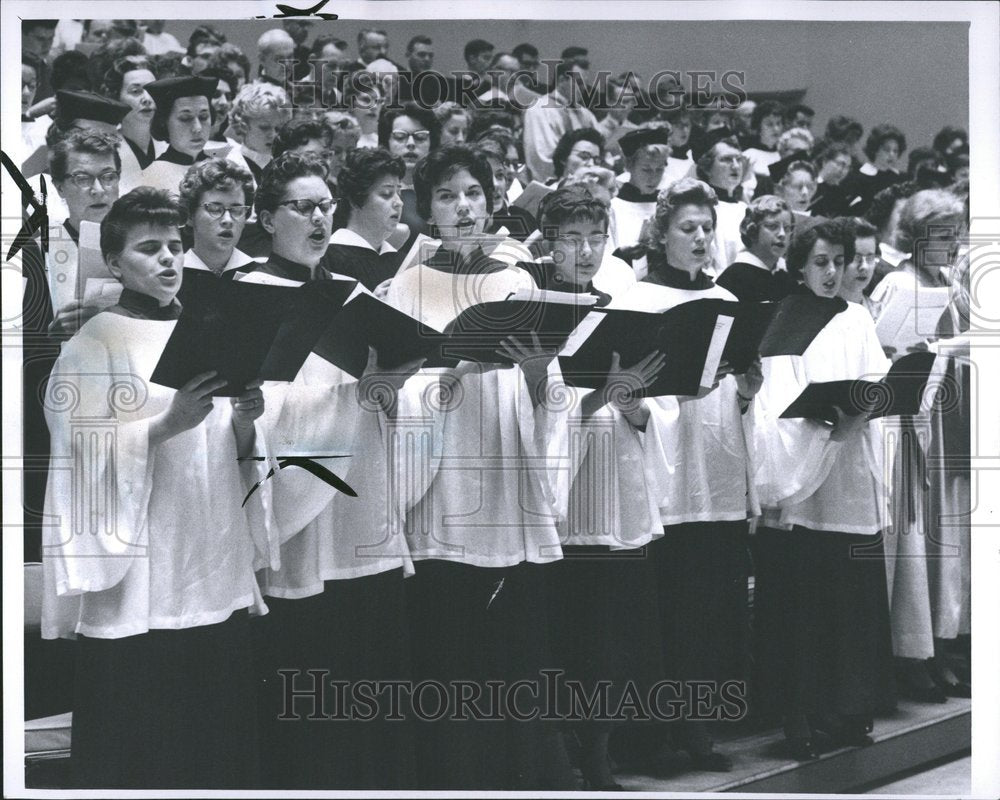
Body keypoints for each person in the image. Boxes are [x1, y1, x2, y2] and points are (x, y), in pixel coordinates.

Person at [41, 187, 269, 788]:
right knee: (145, 742)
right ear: (115, 265)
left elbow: (234, 455)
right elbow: (78, 458)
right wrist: (165, 427)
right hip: (141, 575)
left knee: (213, 738)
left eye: (175, 246)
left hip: (209, 555)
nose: (168, 259)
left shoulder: (210, 327)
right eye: (149, 248)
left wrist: (245, 420)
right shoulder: (97, 341)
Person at [384, 145, 574, 789]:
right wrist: (453, 372)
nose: (462, 207)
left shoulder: (518, 280)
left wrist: (537, 369)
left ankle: (524, 777)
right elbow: (396, 392)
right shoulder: (406, 285)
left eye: (472, 193)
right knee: (451, 656)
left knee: (515, 655)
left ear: (491, 201)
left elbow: (552, 393)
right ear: (425, 208)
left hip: (507, 482)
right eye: (446, 195)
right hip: (439, 490)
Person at [627, 178, 760, 772]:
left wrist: (748, 390)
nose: (702, 238)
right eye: (688, 228)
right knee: (662, 612)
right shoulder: (641, 297)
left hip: (718, 471)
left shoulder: (727, 300)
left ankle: (699, 724)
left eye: (708, 228)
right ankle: (656, 735)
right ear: (661, 233)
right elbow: (635, 390)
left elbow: (737, 392)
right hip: (666, 475)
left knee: (709, 610)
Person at [752, 217, 894, 761]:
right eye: (820, 262)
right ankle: (799, 716)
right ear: (799, 265)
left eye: (839, 261)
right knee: (805, 608)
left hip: (851, 473)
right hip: (806, 484)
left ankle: (848, 708)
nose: (832, 272)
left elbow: (877, 382)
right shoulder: (785, 320)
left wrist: (862, 415)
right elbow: (776, 407)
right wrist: (831, 430)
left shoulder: (857, 317)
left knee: (850, 603)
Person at [325, 148, 406, 289]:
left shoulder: (402, 261)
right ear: (355, 199)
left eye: (399, 193)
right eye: (387, 194)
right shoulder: (327, 258)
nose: (399, 202)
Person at [177, 158, 259, 281]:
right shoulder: (174, 275)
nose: (228, 220)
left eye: (237, 210)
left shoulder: (259, 276)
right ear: (190, 215)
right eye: (215, 209)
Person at [522, 60, 599, 182]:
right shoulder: (539, 109)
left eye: (585, 84)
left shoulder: (586, 114)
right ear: (562, 80)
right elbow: (540, 157)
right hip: (554, 184)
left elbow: (597, 150)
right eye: (579, 83)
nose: (584, 89)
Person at [141, 75, 218, 193]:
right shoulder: (151, 178)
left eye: (203, 117)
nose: (197, 128)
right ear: (163, 122)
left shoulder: (222, 167)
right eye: (185, 118)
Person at [379, 102, 440, 248]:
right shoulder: (375, 192)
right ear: (386, 142)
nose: (411, 143)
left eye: (420, 137)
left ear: (432, 143)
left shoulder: (442, 188)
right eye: (400, 137)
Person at [715, 194, 795, 302]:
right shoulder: (734, 278)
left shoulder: (785, 277)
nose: (782, 234)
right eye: (772, 226)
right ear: (753, 230)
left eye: (787, 228)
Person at [97, 56, 159, 191]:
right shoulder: (105, 148)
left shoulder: (170, 145)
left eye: (153, 90)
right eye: (136, 91)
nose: (147, 99)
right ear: (116, 97)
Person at [694, 132, 749, 274]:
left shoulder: (746, 209)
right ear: (707, 168)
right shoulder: (701, 209)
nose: (736, 166)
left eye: (738, 159)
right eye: (726, 160)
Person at [610, 127, 668, 252]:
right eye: (646, 169)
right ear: (629, 166)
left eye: (659, 169)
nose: (653, 177)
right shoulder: (613, 205)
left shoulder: (666, 204)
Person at [226, 82, 290, 185]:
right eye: (264, 128)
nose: (273, 135)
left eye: (278, 128)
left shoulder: (283, 169)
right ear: (243, 125)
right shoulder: (229, 166)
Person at [477, 134, 538, 241]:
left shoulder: (523, 218)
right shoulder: (464, 224)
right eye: (486, 177)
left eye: (499, 175)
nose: (495, 185)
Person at [840, 123, 907, 215]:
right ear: (875, 149)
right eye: (886, 150)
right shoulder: (858, 177)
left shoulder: (901, 179)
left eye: (895, 151)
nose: (892, 155)